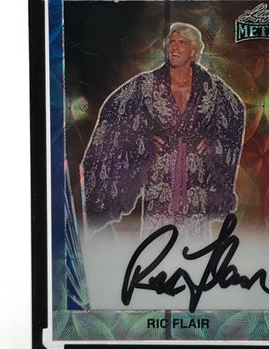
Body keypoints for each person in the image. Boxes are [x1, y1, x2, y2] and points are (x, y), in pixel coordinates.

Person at [81, 22, 245, 240]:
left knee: (195, 249)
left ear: (194, 51)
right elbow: (115, 116)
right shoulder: (147, 85)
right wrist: (143, 139)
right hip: (160, 180)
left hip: (195, 184)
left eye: (182, 43)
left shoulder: (212, 88)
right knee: (157, 245)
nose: (174, 47)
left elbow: (235, 112)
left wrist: (213, 141)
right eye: (171, 42)